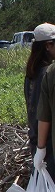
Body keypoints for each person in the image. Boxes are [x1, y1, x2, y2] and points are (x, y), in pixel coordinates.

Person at [26, 23, 55, 157]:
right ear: (48, 45)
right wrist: (42, 147)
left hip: (35, 139)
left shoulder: (31, 74)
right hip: (47, 142)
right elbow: (44, 115)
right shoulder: (48, 74)